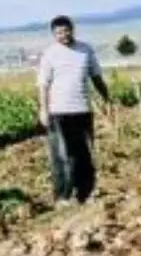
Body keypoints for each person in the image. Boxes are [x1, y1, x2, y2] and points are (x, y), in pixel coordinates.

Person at [37, 15, 111, 206]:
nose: (63, 35)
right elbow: (43, 85)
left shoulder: (85, 50)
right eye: (59, 33)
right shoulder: (50, 54)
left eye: (66, 31)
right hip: (58, 112)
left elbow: (96, 77)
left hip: (82, 110)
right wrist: (44, 110)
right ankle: (63, 196)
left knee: (85, 153)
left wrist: (107, 98)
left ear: (72, 29)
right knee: (62, 155)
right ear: (53, 34)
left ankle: (86, 193)